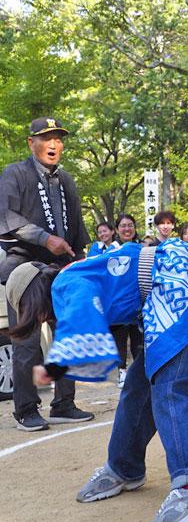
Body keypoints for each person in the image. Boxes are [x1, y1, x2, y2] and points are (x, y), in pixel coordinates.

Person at [6, 238, 188, 522]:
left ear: (33, 299)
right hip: (187, 283)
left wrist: (53, 370)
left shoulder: (64, 287)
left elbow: (87, 334)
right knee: (138, 386)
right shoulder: (74, 274)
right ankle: (124, 466)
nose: (40, 320)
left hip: (185, 290)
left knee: (169, 387)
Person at [0, 117, 93, 431]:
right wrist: (44, 238)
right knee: (26, 342)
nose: (53, 144)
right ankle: (25, 409)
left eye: (58, 138)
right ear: (31, 143)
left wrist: (80, 264)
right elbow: (6, 215)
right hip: (24, 268)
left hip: (60, 270)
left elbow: (76, 228)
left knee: (67, 337)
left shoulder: (65, 179)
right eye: (46, 138)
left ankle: (64, 402)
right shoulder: (15, 173)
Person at [112, 213, 143, 388]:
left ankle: (138, 373)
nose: (127, 229)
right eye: (123, 226)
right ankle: (122, 372)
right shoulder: (112, 250)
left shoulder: (141, 247)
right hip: (119, 302)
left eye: (130, 225)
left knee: (138, 338)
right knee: (120, 338)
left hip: (138, 300)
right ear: (117, 229)